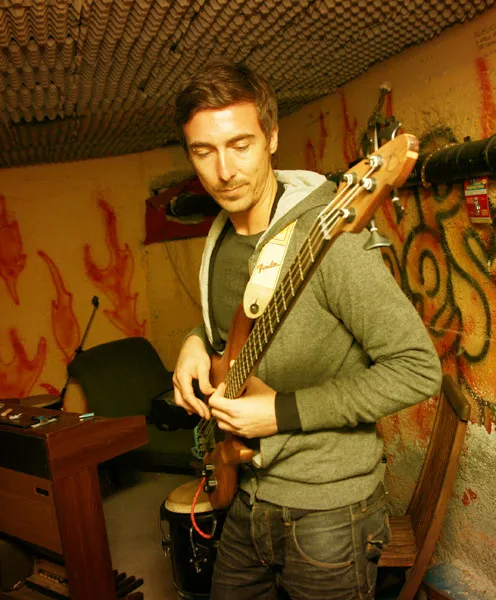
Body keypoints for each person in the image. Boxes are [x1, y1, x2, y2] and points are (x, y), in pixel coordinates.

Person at [171, 62, 442, 600]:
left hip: (329, 511)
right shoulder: (221, 236)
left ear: (272, 137)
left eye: (241, 145)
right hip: (246, 495)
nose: (224, 171)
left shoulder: (333, 242)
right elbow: (231, 327)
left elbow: (417, 370)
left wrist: (281, 412)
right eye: (204, 152)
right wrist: (194, 342)